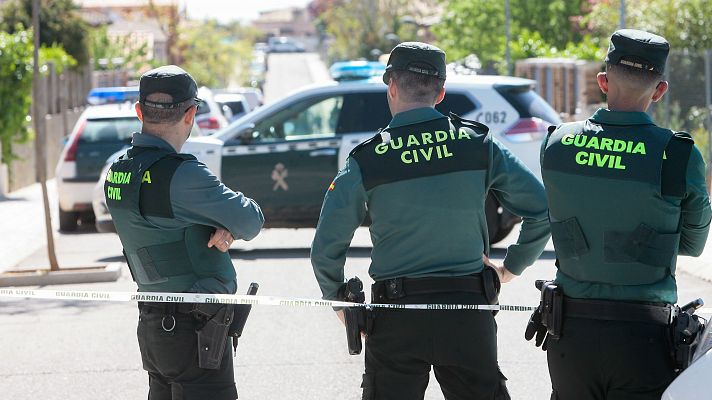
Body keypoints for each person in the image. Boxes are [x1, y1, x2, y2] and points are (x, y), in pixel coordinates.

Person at [310, 42, 551, 400]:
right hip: (468, 312)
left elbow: (325, 249)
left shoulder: (367, 159)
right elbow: (543, 210)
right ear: (440, 93)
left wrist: (341, 302)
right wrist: (510, 269)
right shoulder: (478, 145)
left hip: (396, 318)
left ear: (391, 86)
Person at [535, 29, 711, 399]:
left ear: (602, 81)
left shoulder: (557, 143)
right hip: (644, 335)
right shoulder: (677, 155)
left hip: (570, 335)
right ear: (660, 90)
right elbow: (693, 246)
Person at [104, 65, 264, 400]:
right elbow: (250, 220)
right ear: (191, 114)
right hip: (195, 330)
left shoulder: (118, 173)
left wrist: (217, 222)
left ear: (139, 112)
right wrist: (227, 224)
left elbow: (161, 223)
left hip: (154, 327)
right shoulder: (182, 175)